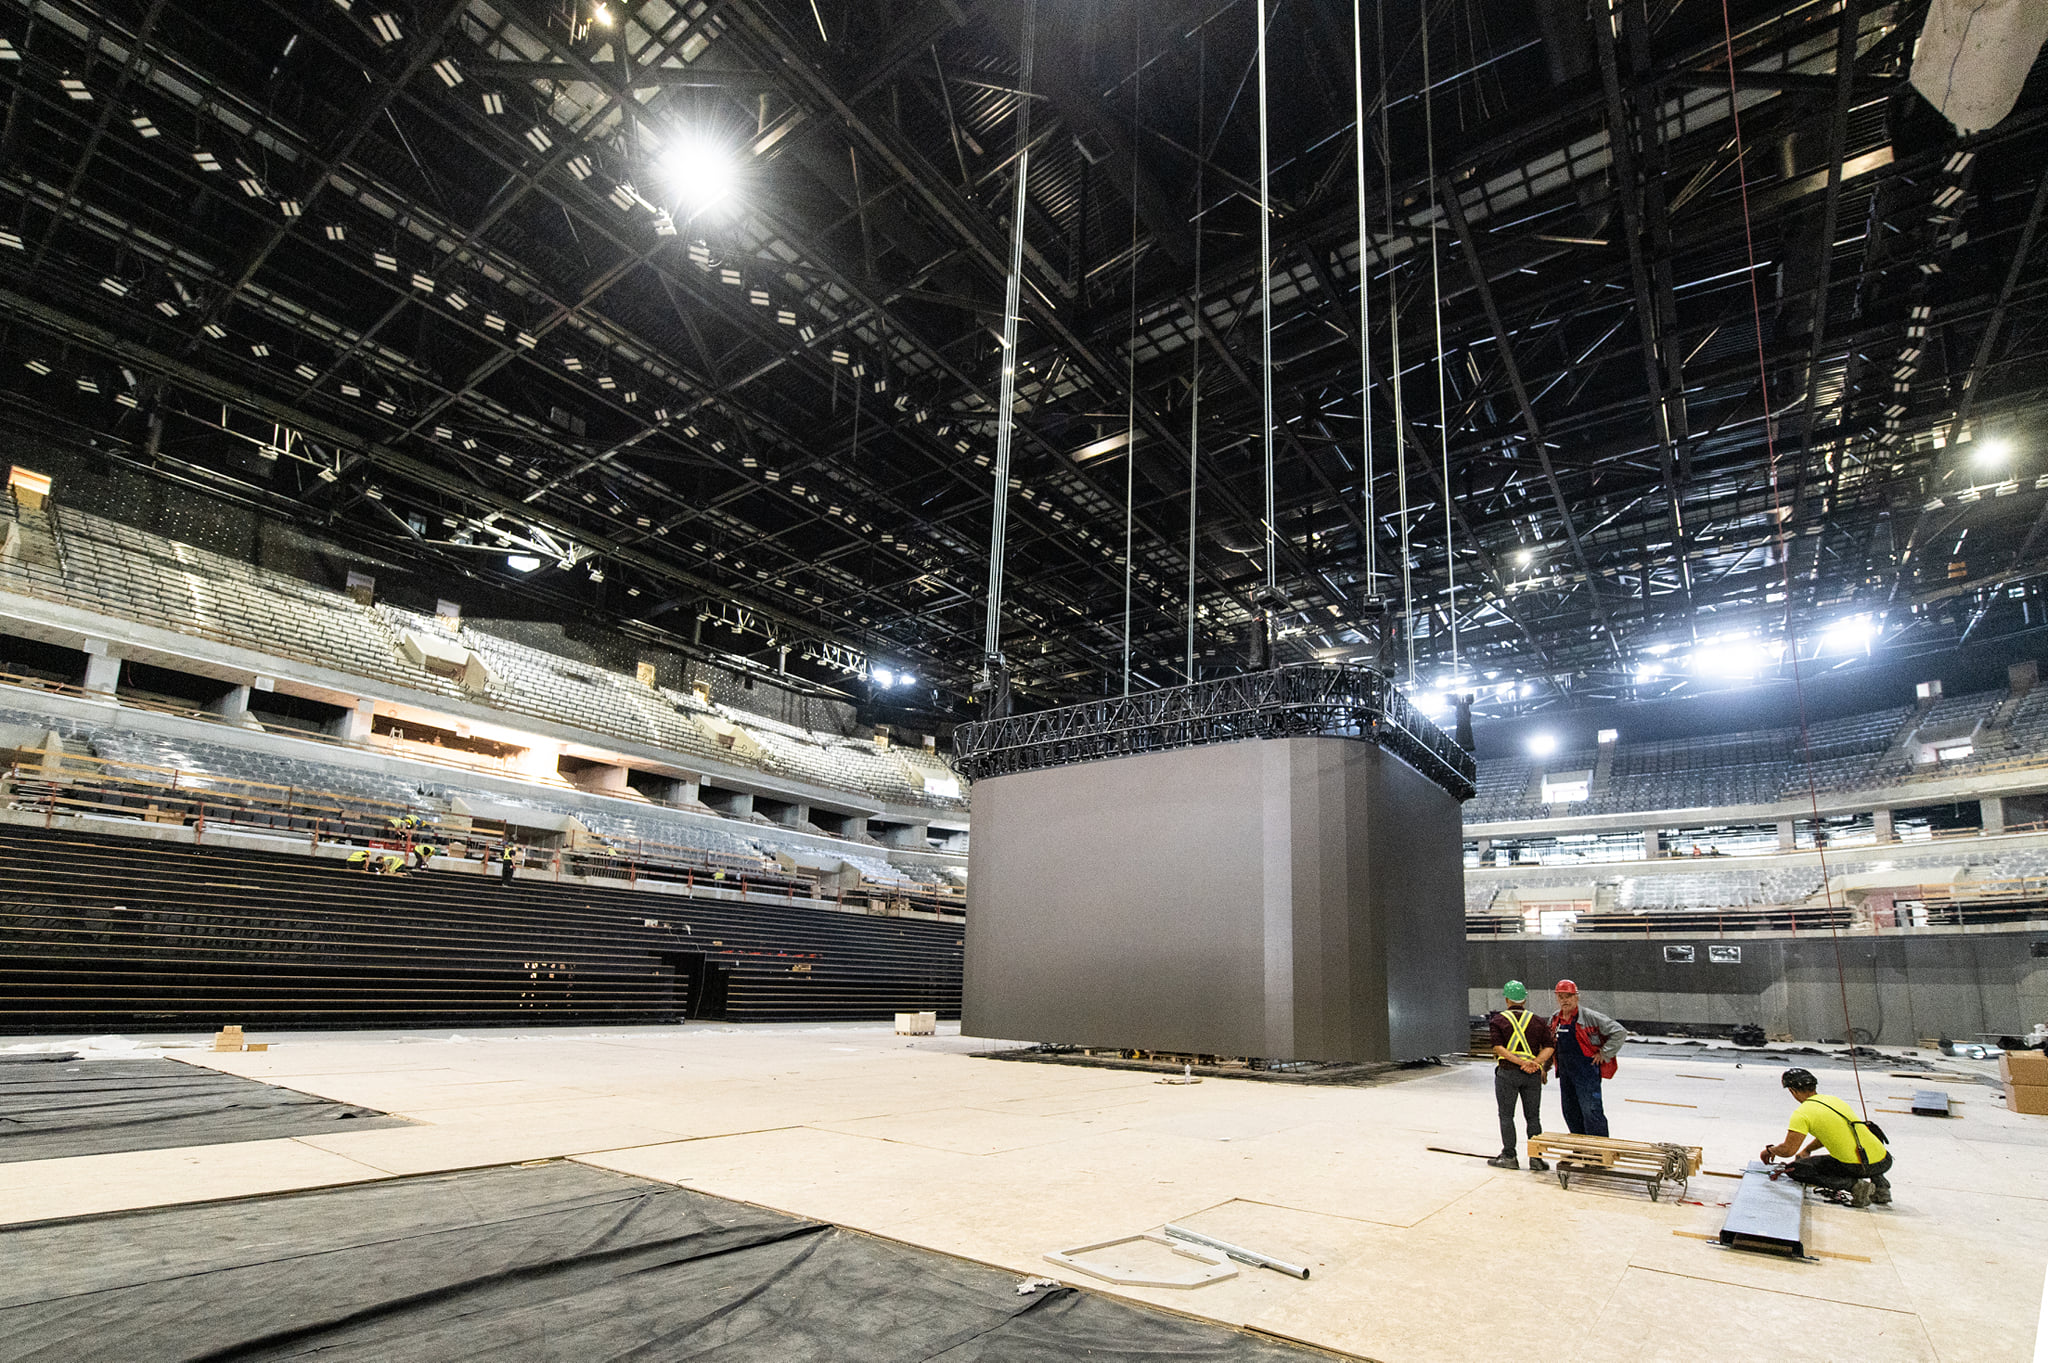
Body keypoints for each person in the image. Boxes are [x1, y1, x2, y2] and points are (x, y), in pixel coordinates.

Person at [1761, 1067, 1892, 1207]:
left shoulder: (1802, 1113)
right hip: (1884, 1160)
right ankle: (1880, 1187)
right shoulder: (1834, 1100)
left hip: (1859, 1167)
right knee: (1861, 1144)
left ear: (1791, 1090)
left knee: (1796, 1169)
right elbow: (1835, 1132)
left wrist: (1770, 1150)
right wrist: (1807, 1150)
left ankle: (1855, 1186)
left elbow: (1788, 1150)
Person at [1487, 980, 1554, 1170]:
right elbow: (1550, 1047)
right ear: (1524, 999)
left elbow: (1498, 1048)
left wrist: (1520, 1062)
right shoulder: (1538, 1021)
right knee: (1533, 1117)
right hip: (1532, 1075)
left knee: (1506, 1115)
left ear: (1507, 999)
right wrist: (1535, 1063)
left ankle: (1509, 1156)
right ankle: (1536, 1159)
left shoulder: (1498, 1021)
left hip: (1508, 1073)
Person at [1549, 979, 1626, 1137]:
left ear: (1576, 997)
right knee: (1570, 1111)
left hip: (1587, 1073)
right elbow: (1550, 1045)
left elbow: (1619, 1032)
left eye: (1568, 996)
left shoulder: (1590, 1017)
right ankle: (1581, 1150)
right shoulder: (1555, 1020)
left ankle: (1598, 1153)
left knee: (1591, 1111)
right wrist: (1545, 1067)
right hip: (1566, 1074)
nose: (1565, 1000)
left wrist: (1604, 1053)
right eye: (1561, 997)